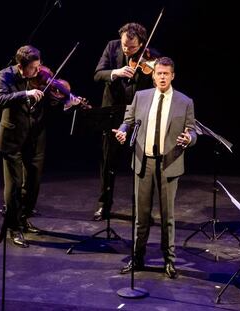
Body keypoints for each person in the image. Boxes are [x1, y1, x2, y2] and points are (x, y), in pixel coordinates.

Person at [113, 57, 196, 279]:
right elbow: (128, 120)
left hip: (169, 163)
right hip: (145, 162)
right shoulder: (141, 97)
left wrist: (189, 138)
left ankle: (169, 261)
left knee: (168, 216)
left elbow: (193, 130)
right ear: (153, 74)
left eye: (166, 74)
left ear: (172, 76)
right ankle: (137, 257)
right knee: (141, 215)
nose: (162, 77)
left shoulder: (184, 101)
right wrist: (123, 130)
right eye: (159, 73)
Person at [0, 45, 82, 248]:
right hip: (12, 137)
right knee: (14, 185)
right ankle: (13, 226)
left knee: (33, 182)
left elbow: (51, 99)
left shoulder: (42, 75)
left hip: (35, 136)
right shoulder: (5, 75)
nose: (38, 70)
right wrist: (25, 93)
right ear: (21, 66)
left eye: (38, 65)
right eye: (33, 68)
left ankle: (23, 217)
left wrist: (67, 99)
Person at [93, 22, 159, 221]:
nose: (127, 49)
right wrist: (117, 72)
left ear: (141, 44)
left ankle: (141, 208)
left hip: (138, 116)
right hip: (112, 112)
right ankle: (104, 205)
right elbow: (98, 74)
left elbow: (158, 86)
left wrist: (157, 77)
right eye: (124, 45)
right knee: (108, 161)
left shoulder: (152, 57)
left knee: (141, 163)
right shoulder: (112, 47)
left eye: (131, 47)